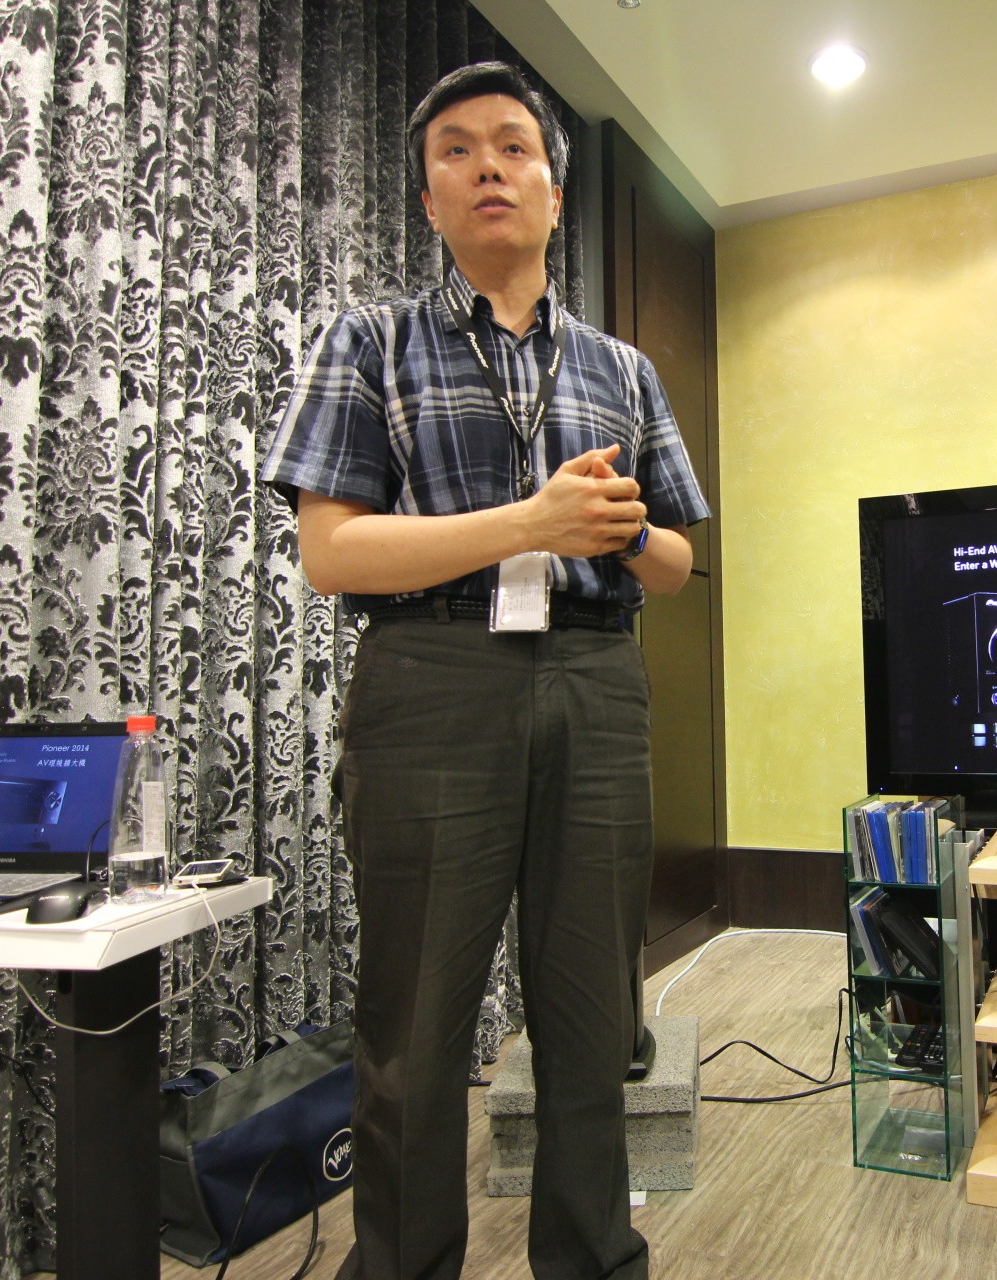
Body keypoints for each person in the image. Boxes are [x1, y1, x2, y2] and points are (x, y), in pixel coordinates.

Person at [261, 60, 709, 1280]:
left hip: (597, 677)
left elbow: (677, 564)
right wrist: (530, 521)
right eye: (455, 152)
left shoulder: (623, 368)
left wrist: (617, 532)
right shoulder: (370, 340)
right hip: (431, 678)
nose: (487, 168)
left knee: (593, 1012)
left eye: (513, 146)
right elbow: (333, 554)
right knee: (414, 1019)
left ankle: (593, 1255)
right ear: (429, 200)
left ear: (555, 193)